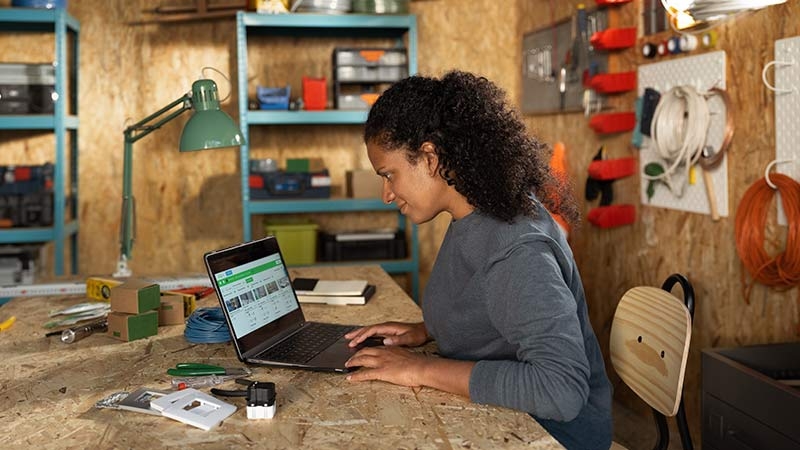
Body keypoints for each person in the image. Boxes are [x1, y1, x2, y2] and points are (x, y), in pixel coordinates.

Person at [343, 70, 613, 450]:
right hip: (505, 421)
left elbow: (561, 390)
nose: (386, 194)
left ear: (430, 157)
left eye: (390, 175)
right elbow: (495, 305)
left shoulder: (517, 251)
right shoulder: (475, 213)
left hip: (552, 436)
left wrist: (420, 367)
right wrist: (430, 329)